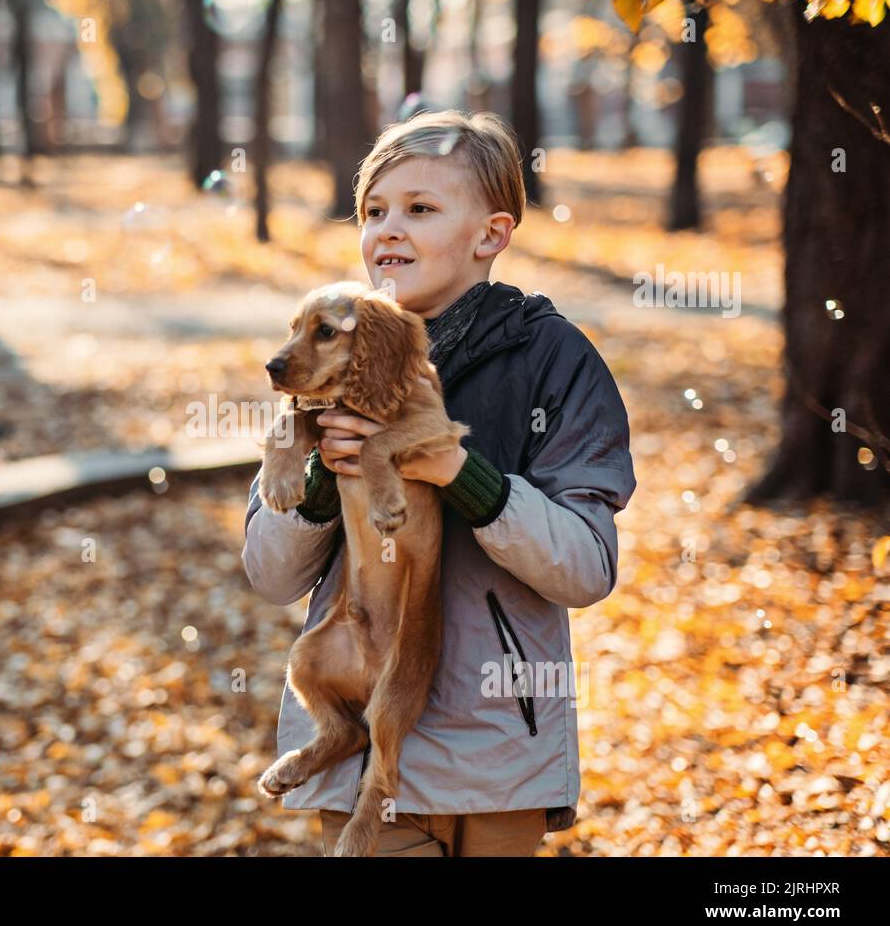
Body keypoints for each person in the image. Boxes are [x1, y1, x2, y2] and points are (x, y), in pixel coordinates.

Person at [240, 109, 638, 857]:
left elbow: (586, 568)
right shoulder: (325, 361)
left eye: (420, 209)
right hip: (359, 747)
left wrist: (465, 477)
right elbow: (269, 575)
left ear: (491, 234)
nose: (388, 230)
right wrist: (322, 477)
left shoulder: (553, 360)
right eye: (374, 212)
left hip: (498, 753)